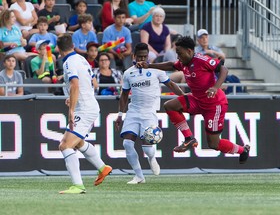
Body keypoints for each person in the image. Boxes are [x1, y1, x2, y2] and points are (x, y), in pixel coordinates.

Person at [136, 36, 250, 164]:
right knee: (170, 106)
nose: (178, 57)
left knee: (213, 143)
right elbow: (170, 65)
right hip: (196, 99)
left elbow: (224, 69)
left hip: (214, 104)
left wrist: (215, 87)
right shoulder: (184, 63)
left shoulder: (202, 60)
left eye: (179, 53)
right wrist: (149, 65)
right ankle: (189, 138)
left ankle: (242, 150)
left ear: (189, 51)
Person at [115, 42, 185, 184]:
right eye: (139, 57)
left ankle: (152, 158)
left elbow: (170, 84)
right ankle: (139, 176)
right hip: (133, 111)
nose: (142, 60)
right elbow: (124, 95)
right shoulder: (128, 73)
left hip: (149, 112)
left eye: (145, 57)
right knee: (127, 144)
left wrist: (185, 98)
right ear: (134, 56)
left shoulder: (156, 70)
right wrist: (120, 115)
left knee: (147, 148)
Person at [57, 33, 112, 194]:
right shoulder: (82, 59)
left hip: (84, 109)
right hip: (89, 104)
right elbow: (92, 83)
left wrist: (72, 109)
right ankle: (103, 167)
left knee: (65, 145)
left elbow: (75, 84)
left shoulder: (69, 62)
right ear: (73, 46)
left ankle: (77, 185)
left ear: (59, 50)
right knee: (78, 142)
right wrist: (74, 98)